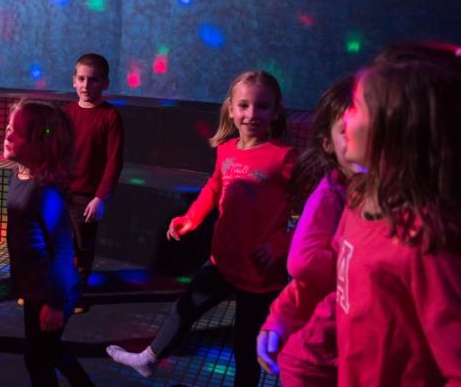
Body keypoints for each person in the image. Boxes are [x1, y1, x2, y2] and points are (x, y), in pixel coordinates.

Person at [107, 71, 295, 387]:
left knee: (245, 348)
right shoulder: (227, 149)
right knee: (185, 308)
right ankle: (149, 359)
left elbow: (312, 215)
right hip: (223, 259)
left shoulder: (285, 158)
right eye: (244, 106)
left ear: (276, 111)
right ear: (231, 109)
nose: (251, 114)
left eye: (262, 107)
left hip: (261, 274)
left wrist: (280, 244)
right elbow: (214, 187)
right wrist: (190, 218)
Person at [333, 43, 461, 386]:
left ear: (398, 129)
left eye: (356, 106)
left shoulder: (426, 243)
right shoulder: (359, 200)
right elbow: (346, 300)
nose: (343, 118)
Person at [256, 77, 357, 386]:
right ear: (328, 143)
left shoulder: (370, 198)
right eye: (352, 131)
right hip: (320, 352)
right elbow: (304, 261)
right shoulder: (336, 191)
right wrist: (281, 319)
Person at [3, 99, 94, 386]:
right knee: (47, 351)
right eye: (8, 127)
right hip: (35, 287)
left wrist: (55, 304)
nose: (7, 134)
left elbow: (63, 251)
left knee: (38, 358)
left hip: (54, 289)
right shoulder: (17, 174)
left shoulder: (47, 193)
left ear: (40, 145)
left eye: (16, 133)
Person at [63, 53, 124, 314]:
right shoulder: (66, 113)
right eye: (82, 79)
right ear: (74, 81)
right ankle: (55, 290)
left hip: (86, 198)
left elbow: (114, 161)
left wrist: (100, 197)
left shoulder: (110, 117)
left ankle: (75, 295)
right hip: (61, 192)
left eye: (93, 80)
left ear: (105, 83)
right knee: (58, 246)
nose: (86, 85)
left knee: (82, 248)